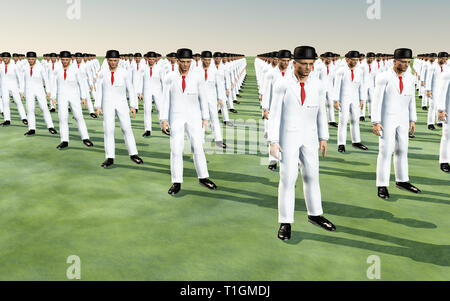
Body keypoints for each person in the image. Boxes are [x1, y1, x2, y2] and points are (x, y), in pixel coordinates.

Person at [268, 46, 336, 241]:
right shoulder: (282, 84)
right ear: (294, 63)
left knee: (312, 176)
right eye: (304, 64)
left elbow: (321, 113)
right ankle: (285, 222)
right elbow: (274, 115)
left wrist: (324, 137)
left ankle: (315, 214)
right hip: (288, 137)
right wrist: (273, 141)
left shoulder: (318, 85)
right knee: (288, 179)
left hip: (310, 137)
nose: (307, 68)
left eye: (310, 64)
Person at [160, 48, 217, 195]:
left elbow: (203, 99)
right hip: (176, 117)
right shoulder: (170, 77)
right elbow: (165, 100)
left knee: (198, 147)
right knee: (176, 149)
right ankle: (176, 182)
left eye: (188, 62)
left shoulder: (197, 77)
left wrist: (205, 118)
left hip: (194, 117)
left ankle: (203, 177)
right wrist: (163, 120)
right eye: (183, 62)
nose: (186, 65)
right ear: (177, 61)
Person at [372, 48, 421, 199]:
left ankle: (402, 180)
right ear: (395, 61)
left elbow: (411, 99)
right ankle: (382, 185)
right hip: (387, 118)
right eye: (403, 62)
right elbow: (376, 100)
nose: (406, 65)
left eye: (408, 62)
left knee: (402, 150)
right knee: (386, 151)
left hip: (403, 118)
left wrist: (413, 119)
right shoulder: (383, 77)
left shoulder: (410, 78)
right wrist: (375, 121)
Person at [94, 50, 143, 167]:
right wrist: (98, 106)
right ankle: (110, 157)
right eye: (110, 60)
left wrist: (133, 105)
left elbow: (131, 89)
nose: (113, 63)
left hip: (122, 103)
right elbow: (99, 91)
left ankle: (133, 154)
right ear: (107, 60)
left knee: (127, 128)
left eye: (115, 60)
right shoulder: (102, 73)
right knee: (108, 130)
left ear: (118, 60)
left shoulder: (124, 73)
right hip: (107, 104)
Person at [333, 50, 368, 153]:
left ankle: (356, 141)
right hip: (344, 98)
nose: (355, 62)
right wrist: (336, 100)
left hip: (355, 98)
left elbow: (361, 86)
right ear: (347, 59)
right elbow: (336, 86)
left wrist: (362, 99)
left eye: (357, 60)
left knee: (355, 120)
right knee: (343, 121)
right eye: (353, 59)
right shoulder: (341, 71)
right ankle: (341, 144)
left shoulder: (359, 71)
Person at [22, 51, 57, 136]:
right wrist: (21, 91)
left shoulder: (40, 67)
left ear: (36, 58)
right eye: (29, 59)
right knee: (30, 110)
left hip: (39, 90)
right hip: (28, 91)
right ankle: (31, 128)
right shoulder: (24, 67)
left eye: (32, 59)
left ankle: (50, 127)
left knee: (44, 108)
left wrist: (48, 91)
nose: (30, 60)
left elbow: (46, 80)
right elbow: (21, 80)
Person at [1, 52, 28, 126]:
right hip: (4, 88)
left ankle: (24, 118)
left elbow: (20, 79)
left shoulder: (14, 66)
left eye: (6, 58)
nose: (4, 60)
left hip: (14, 87)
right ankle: (7, 120)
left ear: (9, 58)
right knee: (5, 103)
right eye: (3, 58)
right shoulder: (1, 66)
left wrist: (21, 90)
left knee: (18, 102)